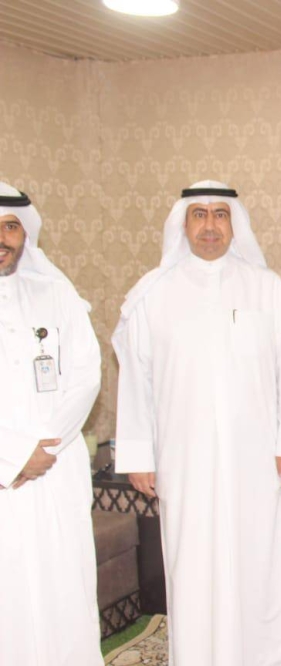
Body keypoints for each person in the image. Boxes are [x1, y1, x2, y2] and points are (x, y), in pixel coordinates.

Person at [113, 181, 281, 666]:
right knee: (192, 563)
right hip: (183, 456)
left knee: (255, 558)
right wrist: (138, 454)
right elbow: (135, 378)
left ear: (234, 223)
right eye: (199, 214)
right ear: (183, 224)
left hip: (255, 455)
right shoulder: (154, 292)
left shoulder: (265, 287)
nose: (210, 225)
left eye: (220, 214)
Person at [0, 183, 103, 666]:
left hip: (56, 470)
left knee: (64, 588)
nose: (1, 237)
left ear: (26, 233)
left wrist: (47, 449)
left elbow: (86, 374)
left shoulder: (56, 293)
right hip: (7, 476)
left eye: (10, 226)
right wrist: (14, 454)